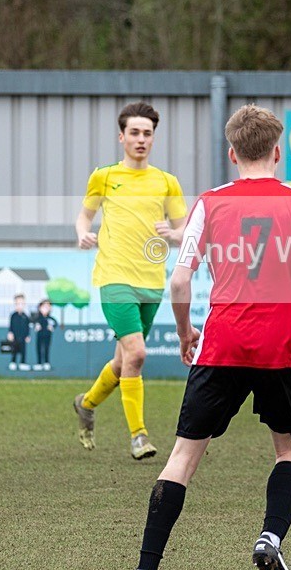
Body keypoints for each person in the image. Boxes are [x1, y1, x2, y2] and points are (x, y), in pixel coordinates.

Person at [135, 104, 291, 570]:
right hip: (279, 347)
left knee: (182, 458)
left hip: (221, 342)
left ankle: (147, 565)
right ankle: (269, 539)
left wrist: (185, 332)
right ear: (277, 152)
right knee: (290, 451)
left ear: (232, 153)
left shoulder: (210, 202)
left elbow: (179, 281)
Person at [73, 101, 187, 460]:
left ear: (153, 138)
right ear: (121, 137)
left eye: (147, 133)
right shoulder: (104, 176)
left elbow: (184, 230)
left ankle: (86, 403)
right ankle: (139, 436)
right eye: (134, 132)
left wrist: (173, 233)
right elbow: (84, 215)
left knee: (124, 362)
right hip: (114, 277)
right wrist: (82, 233)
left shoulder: (166, 182)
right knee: (137, 353)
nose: (141, 139)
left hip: (151, 282)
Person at [7, 294, 31, 371]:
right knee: (14, 350)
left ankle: (22, 363)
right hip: (15, 337)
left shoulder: (26, 316)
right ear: (15, 304)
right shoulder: (13, 316)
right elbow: (11, 326)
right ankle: (13, 362)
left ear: (24, 304)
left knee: (23, 351)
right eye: (17, 304)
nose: (19, 306)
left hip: (23, 337)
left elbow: (27, 327)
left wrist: (28, 335)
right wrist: (10, 333)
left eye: (21, 304)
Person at [34, 298, 58, 372]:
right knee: (39, 349)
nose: (45, 309)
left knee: (46, 349)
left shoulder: (50, 319)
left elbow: (55, 323)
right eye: (44, 307)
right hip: (40, 336)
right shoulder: (38, 318)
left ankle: (46, 362)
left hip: (47, 336)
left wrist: (52, 327)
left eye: (47, 307)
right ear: (40, 308)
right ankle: (39, 363)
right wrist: (36, 325)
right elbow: (33, 321)